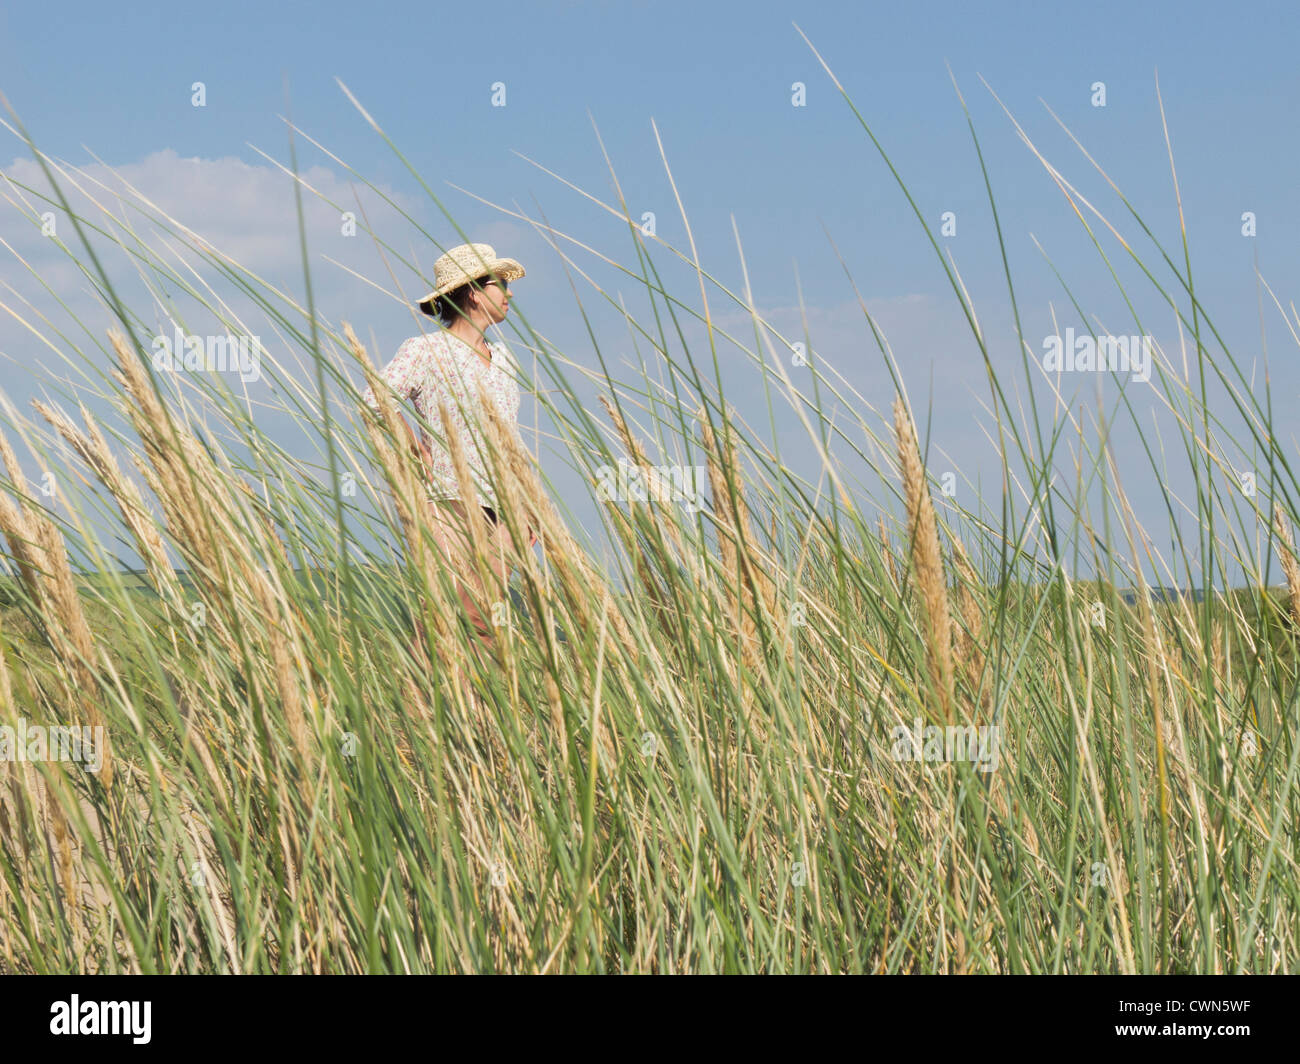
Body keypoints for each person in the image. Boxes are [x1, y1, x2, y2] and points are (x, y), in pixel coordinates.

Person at [363, 242, 535, 643]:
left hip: (505, 508)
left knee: (489, 622)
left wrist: (527, 504)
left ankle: (488, 707)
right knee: (443, 619)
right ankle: (430, 704)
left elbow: (510, 435)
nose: (509, 294)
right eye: (500, 284)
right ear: (473, 292)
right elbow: (373, 402)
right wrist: (413, 446)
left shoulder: (506, 360)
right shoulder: (425, 350)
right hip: (448, 501)